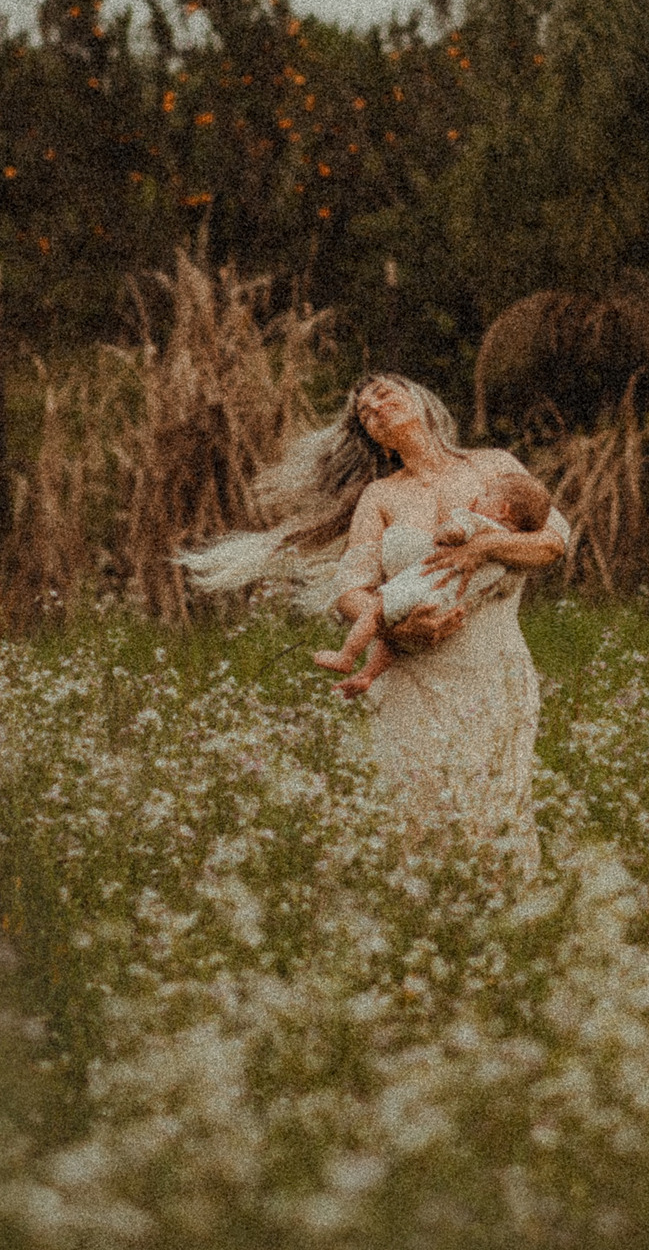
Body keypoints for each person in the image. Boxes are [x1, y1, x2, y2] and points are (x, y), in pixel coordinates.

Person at [180, 373, 567, 876]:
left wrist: (484, 546)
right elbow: (350, 590)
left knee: (497, 818)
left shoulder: (495, 467)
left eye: (385, 394)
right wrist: (396, 631)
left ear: (421, 401)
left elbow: (553, 541)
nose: (375, 408)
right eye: (364, 412)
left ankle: (509, 937)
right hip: (409, 678)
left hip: (492, 669)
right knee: (419, 826)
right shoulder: (379, 497)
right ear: (372, 439)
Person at [312, 469, 552, 699]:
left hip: (424, 589)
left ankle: (346, 656)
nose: (480, 497)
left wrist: (449, 533)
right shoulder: (512, 548)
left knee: (376, 610)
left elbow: (454, 531)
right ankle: (367, 675)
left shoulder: (476, 521)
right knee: (397, 645)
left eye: (487, 495)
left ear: (503, 509)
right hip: (451, 609)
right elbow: (504, 586)